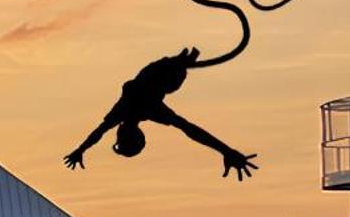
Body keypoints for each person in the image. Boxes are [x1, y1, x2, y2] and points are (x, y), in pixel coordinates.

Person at [65, 48, 256, 179]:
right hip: (166, 70)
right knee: (172, 85)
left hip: (166, 70)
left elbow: (97, 134)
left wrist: (226, 151)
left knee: (172, 84)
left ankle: (181, 62)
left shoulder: (131, 111)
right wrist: (225, 150)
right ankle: (181, 62)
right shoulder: (147, 111)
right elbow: (191, 130)